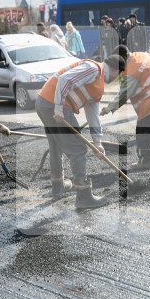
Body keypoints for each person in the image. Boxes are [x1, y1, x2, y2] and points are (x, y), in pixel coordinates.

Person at [36, 57, 117, 209]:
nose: (116, 78)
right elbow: (65, 79)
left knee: (56, 145)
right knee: (79, 149)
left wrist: (98, 142)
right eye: (118, 74)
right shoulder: (93, 69)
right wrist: (59, 108)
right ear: (115, 70)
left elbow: (93, 115)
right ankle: (83, 196)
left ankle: (58, 186)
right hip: (54, 106)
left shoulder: (97, 83)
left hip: (44, 102)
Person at [100, 46, 150, 170]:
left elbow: (125, 93)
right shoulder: (141, 55)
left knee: (143, 131)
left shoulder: (131, 70)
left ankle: (146, 160)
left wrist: (109, 108)